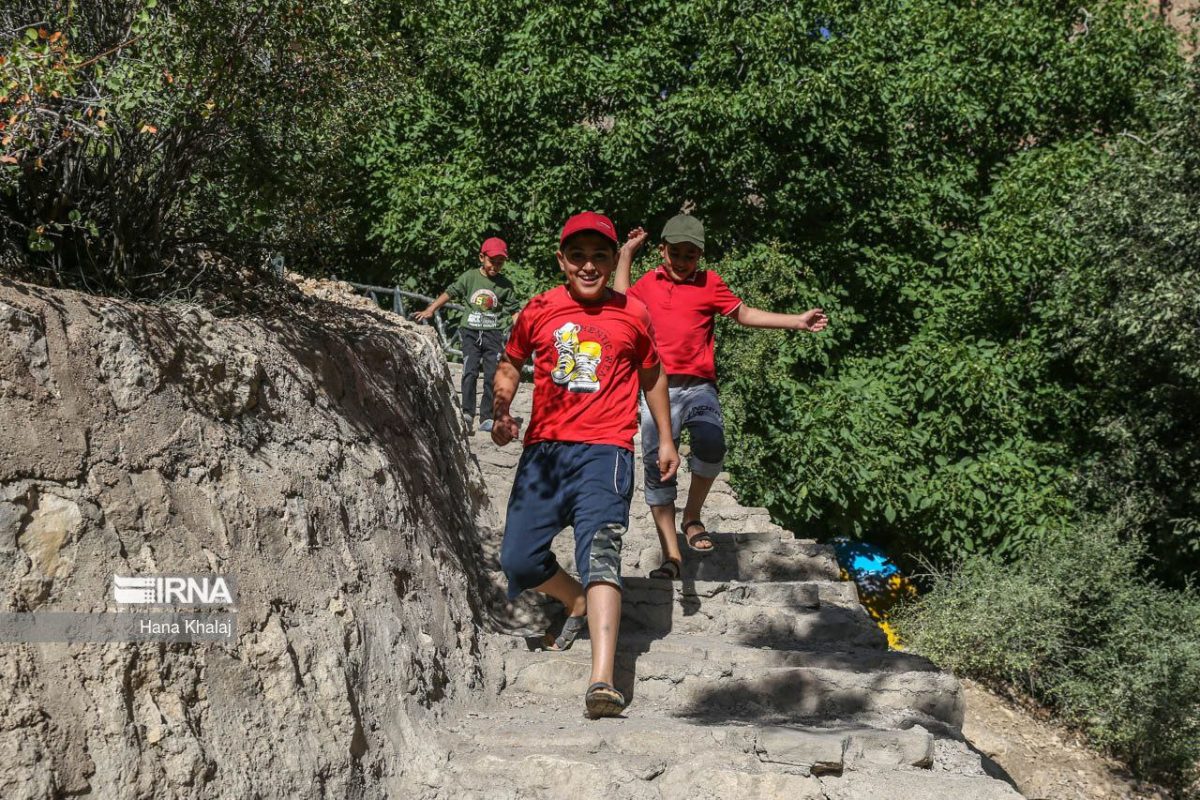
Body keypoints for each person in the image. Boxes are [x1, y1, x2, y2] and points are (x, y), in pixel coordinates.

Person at [491, 211, 679, 719]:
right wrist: (502, 410)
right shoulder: (539, 309)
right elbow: (510, 360)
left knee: (601, 555)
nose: (589, 265)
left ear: (613, 259)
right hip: (545, 454)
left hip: (606, 452)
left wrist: (665, 438)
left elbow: (653, 375)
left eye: (600, 256)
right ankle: (573, 599)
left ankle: (602, 680)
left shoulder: (633, 313)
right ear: (562, 260)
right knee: (518, 559)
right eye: (578, 256)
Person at [614, 214, 828, 580]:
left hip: (699, 386)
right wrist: (626, 255)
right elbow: (621, 302)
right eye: (676, 253)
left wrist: (796, 321)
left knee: (712, 442)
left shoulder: (709, 283)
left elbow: (743, 314)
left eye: (691, 255)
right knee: (657, 467)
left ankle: (692, 516)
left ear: (700, 256)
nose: (682, 261)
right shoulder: (649, 282)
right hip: (655, 388)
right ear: (662, 251)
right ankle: (671, 556)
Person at [413, 237, 517, 432]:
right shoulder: (470, 277)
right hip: (470, 331)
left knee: (491, 375)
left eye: (500, 262)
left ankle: (486, 416)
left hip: (493, 334)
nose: (495, 266)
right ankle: (467, 413)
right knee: (470, 371)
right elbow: (450, 292)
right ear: (481, 257)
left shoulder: (505, 285)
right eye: (492, 261)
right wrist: (431, 309)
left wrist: (525, 328)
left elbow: (514, 311)